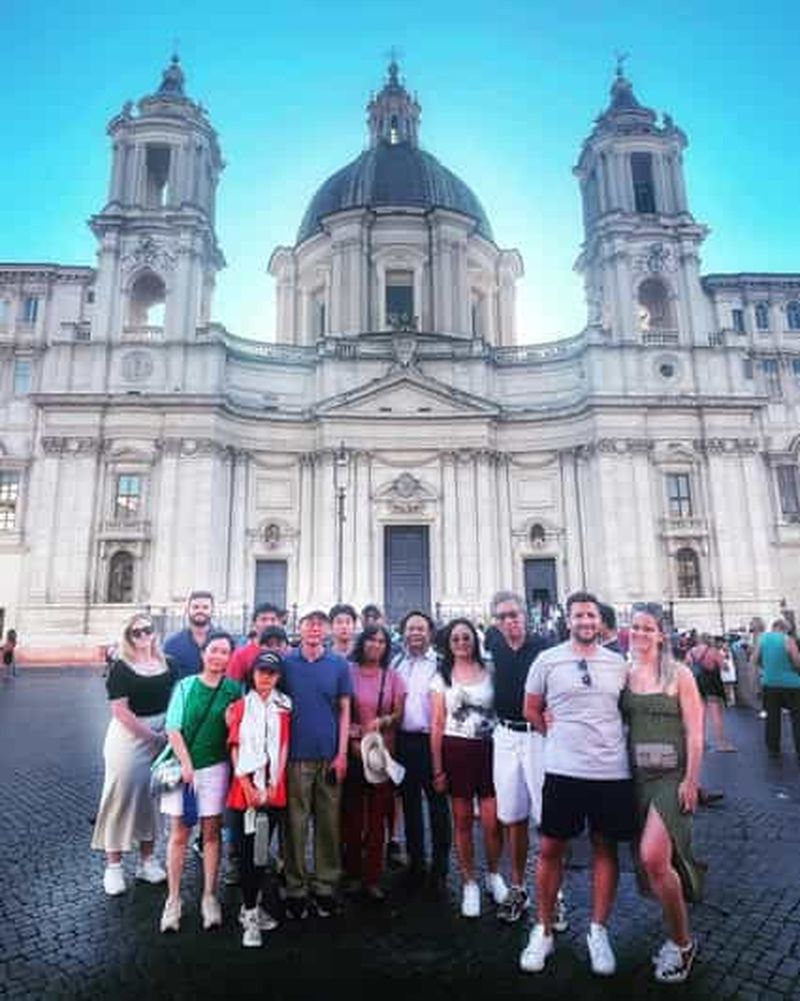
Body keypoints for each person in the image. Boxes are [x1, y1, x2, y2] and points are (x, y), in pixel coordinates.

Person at [521, 591, 636, 976]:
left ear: (600, 621)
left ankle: (598, 931)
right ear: (566, 619)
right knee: (551, 846)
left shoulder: (619, 665)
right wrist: (554, 736)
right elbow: (530, 708)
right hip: (563, 769)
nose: (586, 622)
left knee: (606, 848)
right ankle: (544, 927)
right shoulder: (547, 660)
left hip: (610, 771)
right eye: (578, 616)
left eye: (591, 616)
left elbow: (627, 711)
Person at [622, 601, 705, 983]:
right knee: (657, 865)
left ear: (660, 633)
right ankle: (677, 933)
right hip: (636, 777)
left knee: (654, 857)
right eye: (634, 627)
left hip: (671, 778)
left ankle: (683, 944)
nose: (639, 633)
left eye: (647, 627)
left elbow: (696, 732)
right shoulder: (625, 674)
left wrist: (691, 780)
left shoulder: (681, 674)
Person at [158, 630, 241, 933]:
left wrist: (234, 723)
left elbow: (238, 730)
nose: (218, 656)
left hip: (216, 769)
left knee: (211, 834)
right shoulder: (185, 686)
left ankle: (209, 896)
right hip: (182, 769)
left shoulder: (235, 689)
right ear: (203, 654)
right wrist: (187, 764)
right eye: (214, 650)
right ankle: (173, 898)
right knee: (179, 834)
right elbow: (173, 728)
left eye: (224, 651)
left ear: (230, 657)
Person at [91, 614, 177, 895]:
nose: (142, 635)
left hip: (163, 734)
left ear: (155, 633)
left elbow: (178, 699)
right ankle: (114, 866)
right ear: (128, 636)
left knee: (153, 799)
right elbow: (120, 711)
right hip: (129, 737)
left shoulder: (169, 664)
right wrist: (152, 736)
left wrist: (168, 733)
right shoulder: (121, 668)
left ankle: (147, 861)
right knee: (120, 796)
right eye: (135, 632)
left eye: (147, 630)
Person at [484, 590, 552, 924]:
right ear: (495, 623)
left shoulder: (544, 648)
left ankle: (556, 896)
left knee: (548, 819)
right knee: (512, 816)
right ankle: (518, 886)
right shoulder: (494, 647)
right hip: (505, 736)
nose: (509, 621)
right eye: (502, 617)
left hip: (538, 737)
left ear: (525, 615)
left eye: (514, 614)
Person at [431, 618, 505, 919]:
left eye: (466, 637)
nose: (462, 643)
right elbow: (436, 724)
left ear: (475, 639)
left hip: (490, 750)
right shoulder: (441, 676)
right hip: (456, 750)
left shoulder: (491, 670)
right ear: (449, 644)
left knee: (492, 821)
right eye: (456, 639)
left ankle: (494, 874)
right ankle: (469, 882)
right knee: (461, 819)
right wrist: (437, 768)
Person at [281, 608, 352, 918]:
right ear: (299, 629)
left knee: (328, 823)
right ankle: (295, 886)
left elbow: (345, 710)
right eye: (307, 624)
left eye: (318, 625)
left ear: (325, 631)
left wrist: (342, 754)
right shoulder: (286, 664)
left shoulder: (338, 664)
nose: (313, 629)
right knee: (294, 825)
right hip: (294, 756)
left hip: (328, 756)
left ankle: (325, 884)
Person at [226, 650, 292, 947]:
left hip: (273, 792)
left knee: (261, 855)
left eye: (272, 672)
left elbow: (284, 748)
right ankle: (251, 916)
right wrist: (249, 787)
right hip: (245, 794)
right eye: (261, 671)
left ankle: (250, 906)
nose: (266, 677)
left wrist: (272, 786)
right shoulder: (239, 707)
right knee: (245, 855)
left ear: (279, 677)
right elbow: (235, 748)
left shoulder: (285, 707)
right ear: (252, 674)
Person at [342, 624, 406, 900]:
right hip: (354, 751)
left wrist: (383, 721)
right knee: (352, 816)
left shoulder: (392, 676)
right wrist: (353, 733)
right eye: (371, 640)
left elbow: (399, 714)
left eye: (381, 641)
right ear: (362, 642)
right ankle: (353, 872)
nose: (376, 645)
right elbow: (339, 709)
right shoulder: (347, 672)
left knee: (378, 817)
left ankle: (372, 876)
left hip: (382, 755)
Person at [392, 610, 452, 893]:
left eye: (421, 629)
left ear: (430, 633)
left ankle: (440, 868)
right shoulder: (397, 663)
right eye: (410, 628)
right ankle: (416, 863)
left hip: (433, 742)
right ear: (403, 632)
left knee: (438, 805)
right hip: (404, 742)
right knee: (410, 805)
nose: (415, 633)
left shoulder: (442, 664)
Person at [752, 618, 800, 762]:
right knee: (797, 718)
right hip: (792, 685)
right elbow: (797, 661)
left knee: (772, 718)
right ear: (783, 628)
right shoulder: (788, 640)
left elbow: (754, 660)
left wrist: (767, 667)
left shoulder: (762, 639)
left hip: (770, 684)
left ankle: (773, 750)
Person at [687, 634, 736, 752]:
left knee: (700, 714)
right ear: (709, 640)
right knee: (716, 715)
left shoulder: (691, 652)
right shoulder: (713, 651)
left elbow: (687, 666)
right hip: (712, 684)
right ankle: (721, 743)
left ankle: (701, 743)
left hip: (697, 684)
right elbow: (724, 667)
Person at [227, 603, 285, 684]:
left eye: (273, 619)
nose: (269, 624)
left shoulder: (287, 652)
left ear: (279, 623)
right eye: (263, 619)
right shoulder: (241, 655)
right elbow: (232, 685)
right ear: (254, 624)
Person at [163, 590, 215, 679]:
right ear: (187, 610)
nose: (200, 611)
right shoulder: (172, 644)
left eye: (205, 607)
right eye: (195, 607)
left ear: (212, 610)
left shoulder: (225, 642)